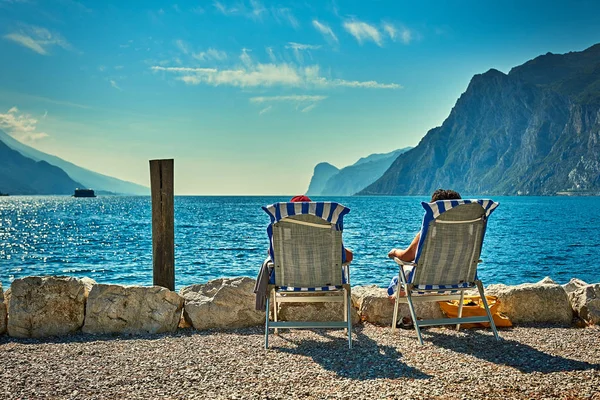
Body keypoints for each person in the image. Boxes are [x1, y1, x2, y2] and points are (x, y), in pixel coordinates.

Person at [254, 195, 353, 310]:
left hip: (289, 284)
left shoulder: (284, 246)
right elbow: (346, 257)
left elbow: (272, 254)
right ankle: (346, 324)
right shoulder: (327, 242)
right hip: (328, 284)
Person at [386, 189, 462, 324]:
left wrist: (394, 251)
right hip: (458, 281)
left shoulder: (428, 231)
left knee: (399, 278)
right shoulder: (469, 233)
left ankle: (402, 293)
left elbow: (406, 256)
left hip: (425, 282)